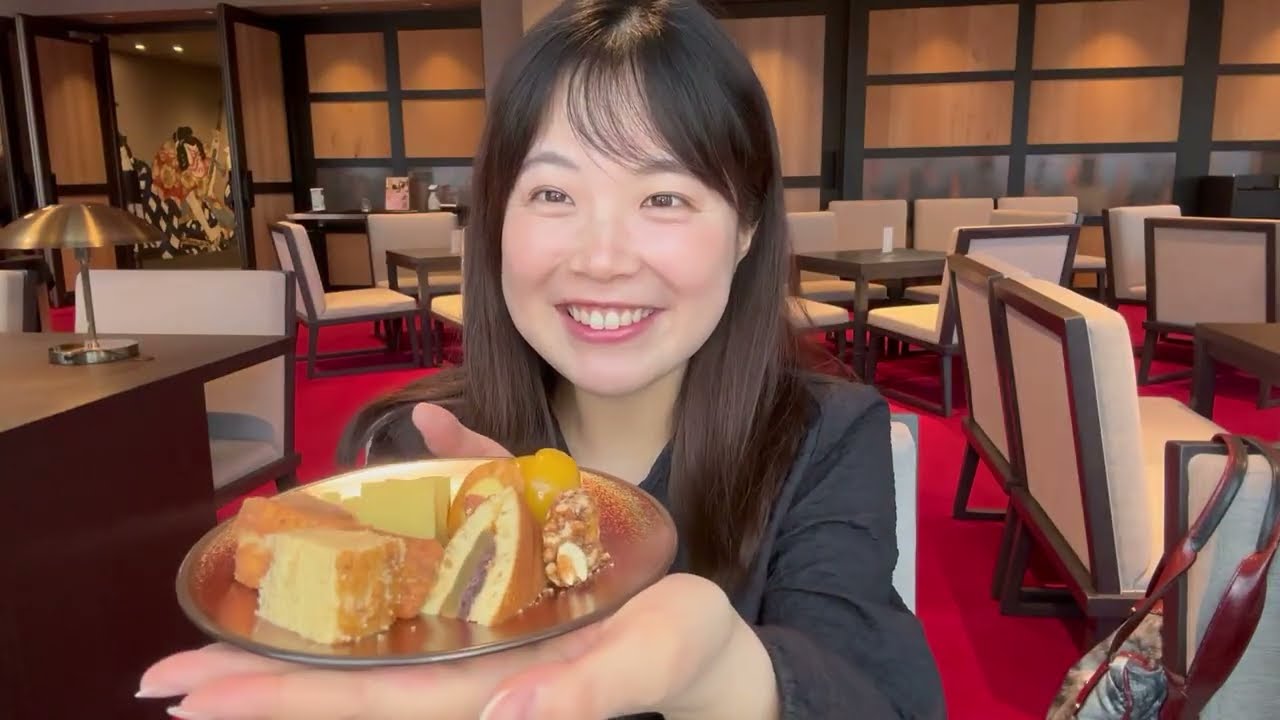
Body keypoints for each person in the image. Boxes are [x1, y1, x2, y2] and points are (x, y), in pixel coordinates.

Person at [139, 1, 945, 717]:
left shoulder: (825, 437)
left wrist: (728, 678)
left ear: (746, 230)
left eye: (664, 197)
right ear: (496, 221)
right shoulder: (421, 446)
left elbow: (875, 689)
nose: (601, 259)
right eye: (553, 194)